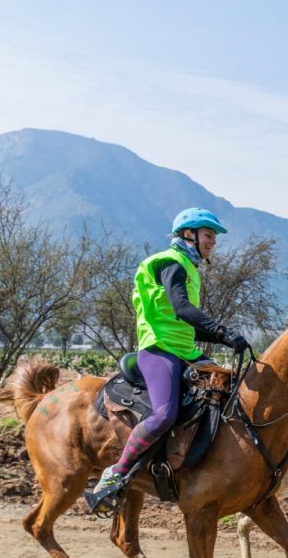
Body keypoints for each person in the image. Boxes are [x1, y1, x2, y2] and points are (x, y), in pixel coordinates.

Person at [89, 208, 248, 507]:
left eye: (213, 236)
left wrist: (229, 339)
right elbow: (182, 310)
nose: (213, 241)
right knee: (165, 414)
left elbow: (185, 324)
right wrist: (221, 331)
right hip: (158, 350)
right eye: (209, 235)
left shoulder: (189, 267)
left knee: (231, 392)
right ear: (189, 234)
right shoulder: (172, 264)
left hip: (185, 351)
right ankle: (117, 473)